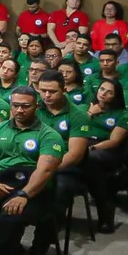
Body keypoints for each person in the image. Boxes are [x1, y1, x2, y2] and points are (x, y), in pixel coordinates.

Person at [0, 87, 65, 255]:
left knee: (12, 219)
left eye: (25, 106)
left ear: (36, 106)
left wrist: (24, 195)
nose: (19, 110)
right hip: (0, 183)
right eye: (16, 105)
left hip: (34, 189)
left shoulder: (49, 135)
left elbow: (44, 171)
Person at [35, 69, 91, 232]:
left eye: (52, 91)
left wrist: (45, 170)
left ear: (64, 90)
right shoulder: (34, 108)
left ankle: (47, 235)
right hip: (34, 162)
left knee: (60, 188)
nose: (46, 96)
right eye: (43, 91)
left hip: (64, 168)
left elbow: (74, 155)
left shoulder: (78, 115)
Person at [87, 78, 128, 231]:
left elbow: (114, 141)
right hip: (83, 144)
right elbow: (75, 129)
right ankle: (106, 206)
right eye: (101, 89)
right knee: (95, 173)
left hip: (107, 150)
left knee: (92, 160)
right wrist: (89, 113)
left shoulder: (123, 115)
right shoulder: (85, 108)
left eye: (109, 92)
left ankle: (104, 212)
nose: (103, 94)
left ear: (116, 96)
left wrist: (92, 148)